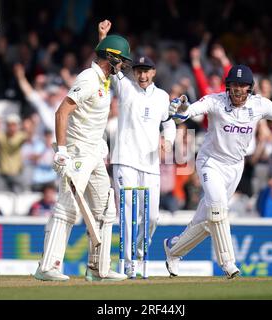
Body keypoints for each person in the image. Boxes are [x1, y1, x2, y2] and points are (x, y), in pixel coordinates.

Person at [165, 64, 272, 279]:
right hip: (211, 162)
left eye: (242, 85)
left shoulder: (259, 105)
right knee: (217, 209)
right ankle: (228, 264)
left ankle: (173, 249)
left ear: (250, 88)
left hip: (235, 167)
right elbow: (189, 112)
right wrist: (180, 109)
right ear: (227, 87)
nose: (237, 90)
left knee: (208, 221)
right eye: (234, 85)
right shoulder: (215, 101)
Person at [34, 23, 132, 282]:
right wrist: (62, 151)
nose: (122, 65)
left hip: (95, 151)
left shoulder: (104, 76)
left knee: (104, 210)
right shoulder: (88, 79)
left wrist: (102, 37)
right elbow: (62, 112)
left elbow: (101, 59)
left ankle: (97, 269)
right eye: (119, 60)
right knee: (68, 208)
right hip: (77, 151)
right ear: (110, 59)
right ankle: (47, 267)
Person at [98, 20, 177, 277]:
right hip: (125, 160)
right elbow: (108, 59)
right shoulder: (124, 87)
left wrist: (169, 141)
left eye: (147, 71)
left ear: (153, 73)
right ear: (134, 72)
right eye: (139, 71)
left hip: (151, 163)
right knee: (128, 213)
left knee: (151, 217)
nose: (142, 75)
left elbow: (169, 124)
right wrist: (103, 36)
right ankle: (130, 262)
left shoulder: (163, 97)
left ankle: (142, 252)